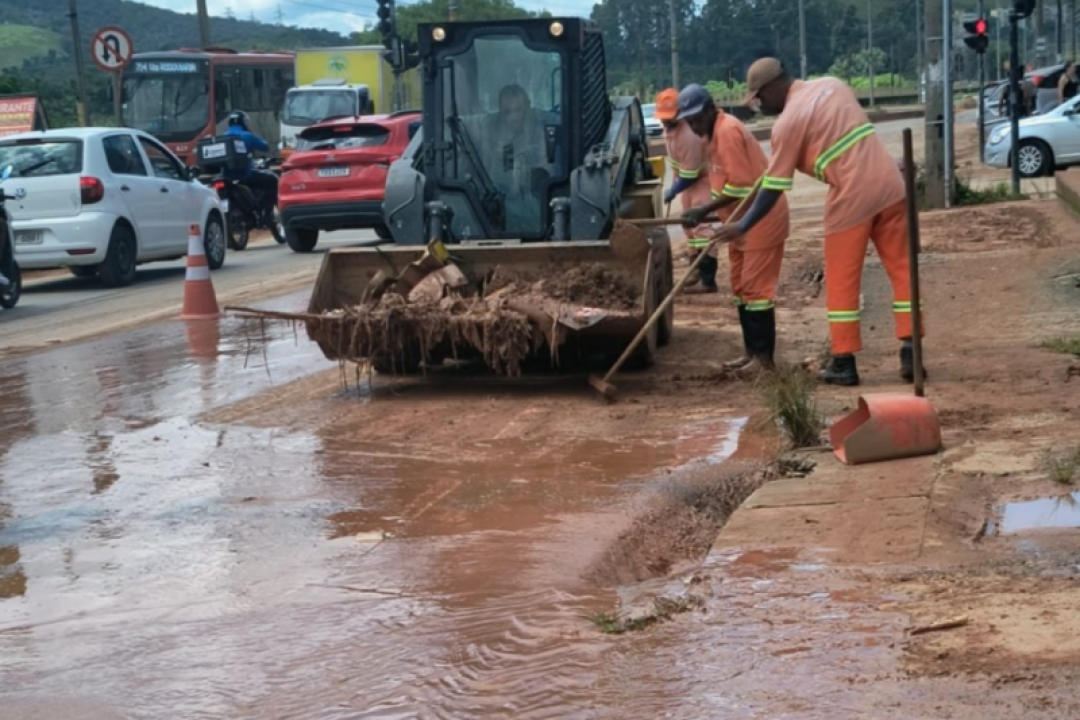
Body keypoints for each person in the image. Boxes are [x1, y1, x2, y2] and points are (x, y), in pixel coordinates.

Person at [714, 58, 923, 387]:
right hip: (891, 185)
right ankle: (912, 350)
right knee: (902, 269)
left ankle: (844, 361)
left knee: (841, 281)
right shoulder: (833, 85)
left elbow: (773, 187)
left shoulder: (788, 122)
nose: (760, 107)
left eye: (759, 99)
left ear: (772, 88)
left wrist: (743, 225)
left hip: (852, 195)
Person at [678, 84, 790, 375]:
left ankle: (764, 362)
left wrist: (703, 211)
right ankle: (751, 353)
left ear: (709, 109)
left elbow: (741, 185)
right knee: (741, 289)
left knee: (756, 291)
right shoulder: (710, 135)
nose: (692, 125)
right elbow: (723, 180)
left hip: (759, 220)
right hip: (738, 224)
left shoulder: (727, 131)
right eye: (687, 121)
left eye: (695, 118)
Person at [654, 87, 718, 293]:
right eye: (663, 118)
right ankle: (695, 271)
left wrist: (673, 190)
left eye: (669, 118)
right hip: (686, 184)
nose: (665, 122)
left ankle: (708, 281)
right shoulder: (670, 129)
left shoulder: (689, 134)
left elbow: (690, 173)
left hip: (700, 182)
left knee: (702, 229)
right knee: (689, 227)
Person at [476, 84, 557, 232]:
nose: (514, 116)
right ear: (500, 112)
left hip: (535, 197)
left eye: (518, 110)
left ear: (527, 107)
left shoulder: (540, 129)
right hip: (504, 199)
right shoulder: (494, 132)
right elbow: (490, 173)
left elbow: (547, 167)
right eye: (508, 112)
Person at [223, 111, 278, 207]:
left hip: (226, 177)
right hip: (245, 176)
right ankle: (270, 215)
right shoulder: (247, 135)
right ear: (244, 122)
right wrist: (251, 133)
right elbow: (265, 146)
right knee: (273, 181)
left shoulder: (221, 137)